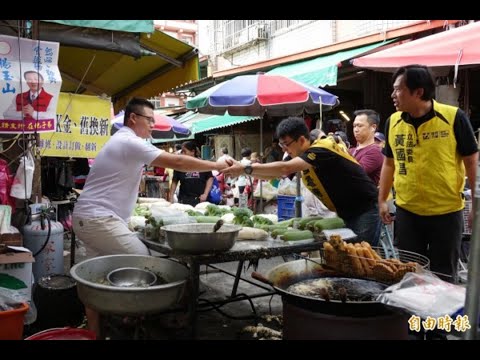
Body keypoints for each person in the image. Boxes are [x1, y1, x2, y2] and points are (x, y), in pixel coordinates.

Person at [72, 97, 228, 336]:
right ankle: (136, 318)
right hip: (99, 219)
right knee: (144, 259)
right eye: (149, 120)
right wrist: (216, 164)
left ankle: (95, 332)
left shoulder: (122, 141)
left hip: (88, 218)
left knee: (94, 278)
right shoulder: (128, 141)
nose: (153, 125)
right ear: (133, 118)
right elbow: (176, 161)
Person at [378, 64, 478, 283]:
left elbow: (472, 160)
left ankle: (439, 317)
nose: (393, 95)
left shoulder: (453, 117)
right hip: (408, 211)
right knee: (411, 272)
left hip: (447, 211)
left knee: (443, 274)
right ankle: (414, 316)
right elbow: (389, 163)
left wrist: (476, 205)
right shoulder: (392, 122)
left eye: (398, 89)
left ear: (418, 92)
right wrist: (383, 199)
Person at [224, 117, 381, 245]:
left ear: (301, 140)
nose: (284, 150)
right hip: (345, 212)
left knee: (361, 258)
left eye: (286, 144)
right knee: (348, 258)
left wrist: (247, 168)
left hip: (364, 209)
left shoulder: (322, 149)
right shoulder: (302, 155)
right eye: (281, 145)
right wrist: (247, 170)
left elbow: (284, 168)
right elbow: (275, 174)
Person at [169, 141, 214, 207]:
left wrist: (205, 194)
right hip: (184, 200)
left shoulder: (202, 163)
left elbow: (210, 178)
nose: (182, 154)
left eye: (184, 151)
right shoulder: (179, 165)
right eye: (182, 152)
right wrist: (171, 197)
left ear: (192, 152)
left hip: (200, 200)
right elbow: (174, 181)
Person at [349, 109, 384, 185]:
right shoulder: (351, 150)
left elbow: (355, 173)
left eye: (360, 126)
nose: (356, 130)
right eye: (354, 126)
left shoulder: (375, 152)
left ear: (373, 127)